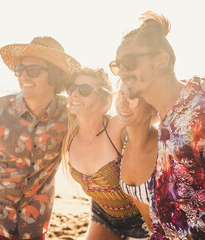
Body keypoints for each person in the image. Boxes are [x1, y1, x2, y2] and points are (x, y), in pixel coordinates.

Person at [111, 11, 205, 239]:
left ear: (161, 60)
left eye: (129, 62)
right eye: (117, 64)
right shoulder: (169, 117)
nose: (122, 71)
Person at [0, 36, 80, 240]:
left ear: (55, 75)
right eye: (19, 69)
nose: (23, 76)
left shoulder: (70, 115)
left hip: (35, 226)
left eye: (33, 70)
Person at [62, 67, 150, 240]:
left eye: (85, 90)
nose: (75, 94)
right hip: (102, 216)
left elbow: (154, 107)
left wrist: (194, 86)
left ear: (104, 98)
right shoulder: (68, 131)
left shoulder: (117, 127)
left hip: (141, 221)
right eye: (71, 89)